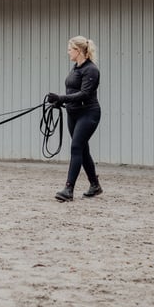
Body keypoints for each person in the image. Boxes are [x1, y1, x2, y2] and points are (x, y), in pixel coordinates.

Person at [47, 36, 103, 202]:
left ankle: (69, 188)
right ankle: (95, 185)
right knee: (82, 149)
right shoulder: (76, 68)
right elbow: (72, 91)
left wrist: (62, 98)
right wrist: (59, 101)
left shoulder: (91, 70)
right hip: (73, 113)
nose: (68, 51)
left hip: (88, 114)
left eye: (70, 49)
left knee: (76, 147)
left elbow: (85, 94)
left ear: (78, 51)